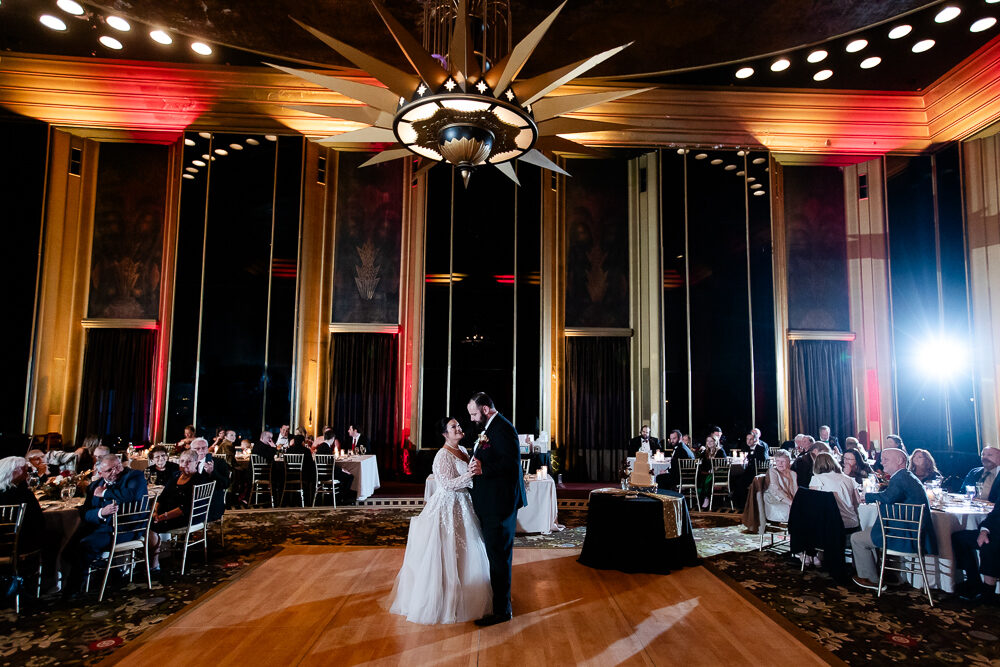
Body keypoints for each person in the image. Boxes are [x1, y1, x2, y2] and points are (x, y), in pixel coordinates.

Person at [388, 417, 492, 624]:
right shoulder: (441, 456)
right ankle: (444, 601)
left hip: (464, 504)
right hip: (447, 506)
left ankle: (468, 593)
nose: (459, 428)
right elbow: (445, 484)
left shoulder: (463, 449)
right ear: (445, 434)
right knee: (446, 551)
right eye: (454, 426)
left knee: (467, 552)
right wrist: (469, 476)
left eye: (459, 425)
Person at [467, 392, 527, 627]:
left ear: (484, 409)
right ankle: (501, 601)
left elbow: (511, 465)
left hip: (499, 506)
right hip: (492, 502)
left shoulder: (502, 428)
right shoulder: (490, 428)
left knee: (499, 557)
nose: (471, 419)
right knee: (496, 556)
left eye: (473, 414)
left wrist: (484, 469)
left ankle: (502, 611)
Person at [850, 448, 936, 592]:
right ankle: (879, 574)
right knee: (868, 533)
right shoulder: (907, 476)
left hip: (905, 534)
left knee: (856, 538)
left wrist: (867, 496)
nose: (881, 462)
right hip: (912, 531)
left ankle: (871, 579)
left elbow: (888, 497)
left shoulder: (901, 477)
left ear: (900, 461)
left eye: (885, 459)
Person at [67, 454, 148, 593]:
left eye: (118, 466)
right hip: (100, 526)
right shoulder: (94, 486)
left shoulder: (134, 476)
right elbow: (85, 512)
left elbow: (131, 495)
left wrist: (105, 493)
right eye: (110, 470)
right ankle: (97, 573)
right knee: (68, 543)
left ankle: (74, 590)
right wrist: (101, 513)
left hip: (126, 528)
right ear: (100, 473)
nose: (116, 471)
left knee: (85, 545)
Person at [148, 450, 209, 571]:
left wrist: (162, 516)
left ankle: (154, 563)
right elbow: (162, 496)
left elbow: (184, 509)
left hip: (186, 517)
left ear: (196, 463)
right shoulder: (176, 475)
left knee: (150, 525)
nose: (184, 464)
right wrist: (155, 511)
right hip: (167, 513)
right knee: (143, 519)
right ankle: (153, 554)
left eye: (188, 461)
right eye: (182, 461)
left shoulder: (199, 480)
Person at [952, 500, 1000, 604]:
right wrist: (984, 530)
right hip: (995, 529)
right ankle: (974, 582)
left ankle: (988, 593)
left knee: (990, 544)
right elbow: (996, 513)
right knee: (959, 538)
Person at [0, 456, 44, 554]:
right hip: (21, 545)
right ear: (15, 471)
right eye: (25, 469)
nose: (27, 473)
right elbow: (38, 521)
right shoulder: (23, 494)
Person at [809, 452, 862, 531]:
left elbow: (812, 505)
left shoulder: (817, 479)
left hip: (830, 526)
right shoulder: (849, 479)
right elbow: (857, 502)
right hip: (852, 523)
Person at [191, 437, 230, 521]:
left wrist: (212, 473)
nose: (201, 450)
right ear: (191, 450)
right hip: (190, 502)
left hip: (211, 504)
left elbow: (226, 484)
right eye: (197, 448)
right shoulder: (188, 463)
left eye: (204, 448)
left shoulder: (219, 462)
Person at [763, 450, 797, 523]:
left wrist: (797, 502)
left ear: (789, 462)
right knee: (796, 511)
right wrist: (791, 503)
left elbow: (795, 490)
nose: (779, 464)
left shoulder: (793, 473)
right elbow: (776, 490)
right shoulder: (772, 471)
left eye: (783, 461)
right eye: (777, 461)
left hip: (789, 500)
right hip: (775, 501)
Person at [697, 435, 727, 508]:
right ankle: (701, 499)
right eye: (707, 441)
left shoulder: (720, 451)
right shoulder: (706, 452)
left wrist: (713, 470)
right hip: (708, 473)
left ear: (715, 442)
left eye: (711, 441)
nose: (709, 443)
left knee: (708, 477)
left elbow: (722, 464)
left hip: (718, 474)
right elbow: (701, 463)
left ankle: (706, 497)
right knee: (699, 476)